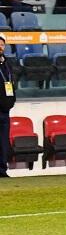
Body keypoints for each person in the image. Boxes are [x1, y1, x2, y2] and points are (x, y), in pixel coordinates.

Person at [0, 34, 15, 177]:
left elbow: (11, 82)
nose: (0, 47)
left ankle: (2, 170)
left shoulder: (7, 63)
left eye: (2, 45)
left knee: (4, 142)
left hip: (5, 109)